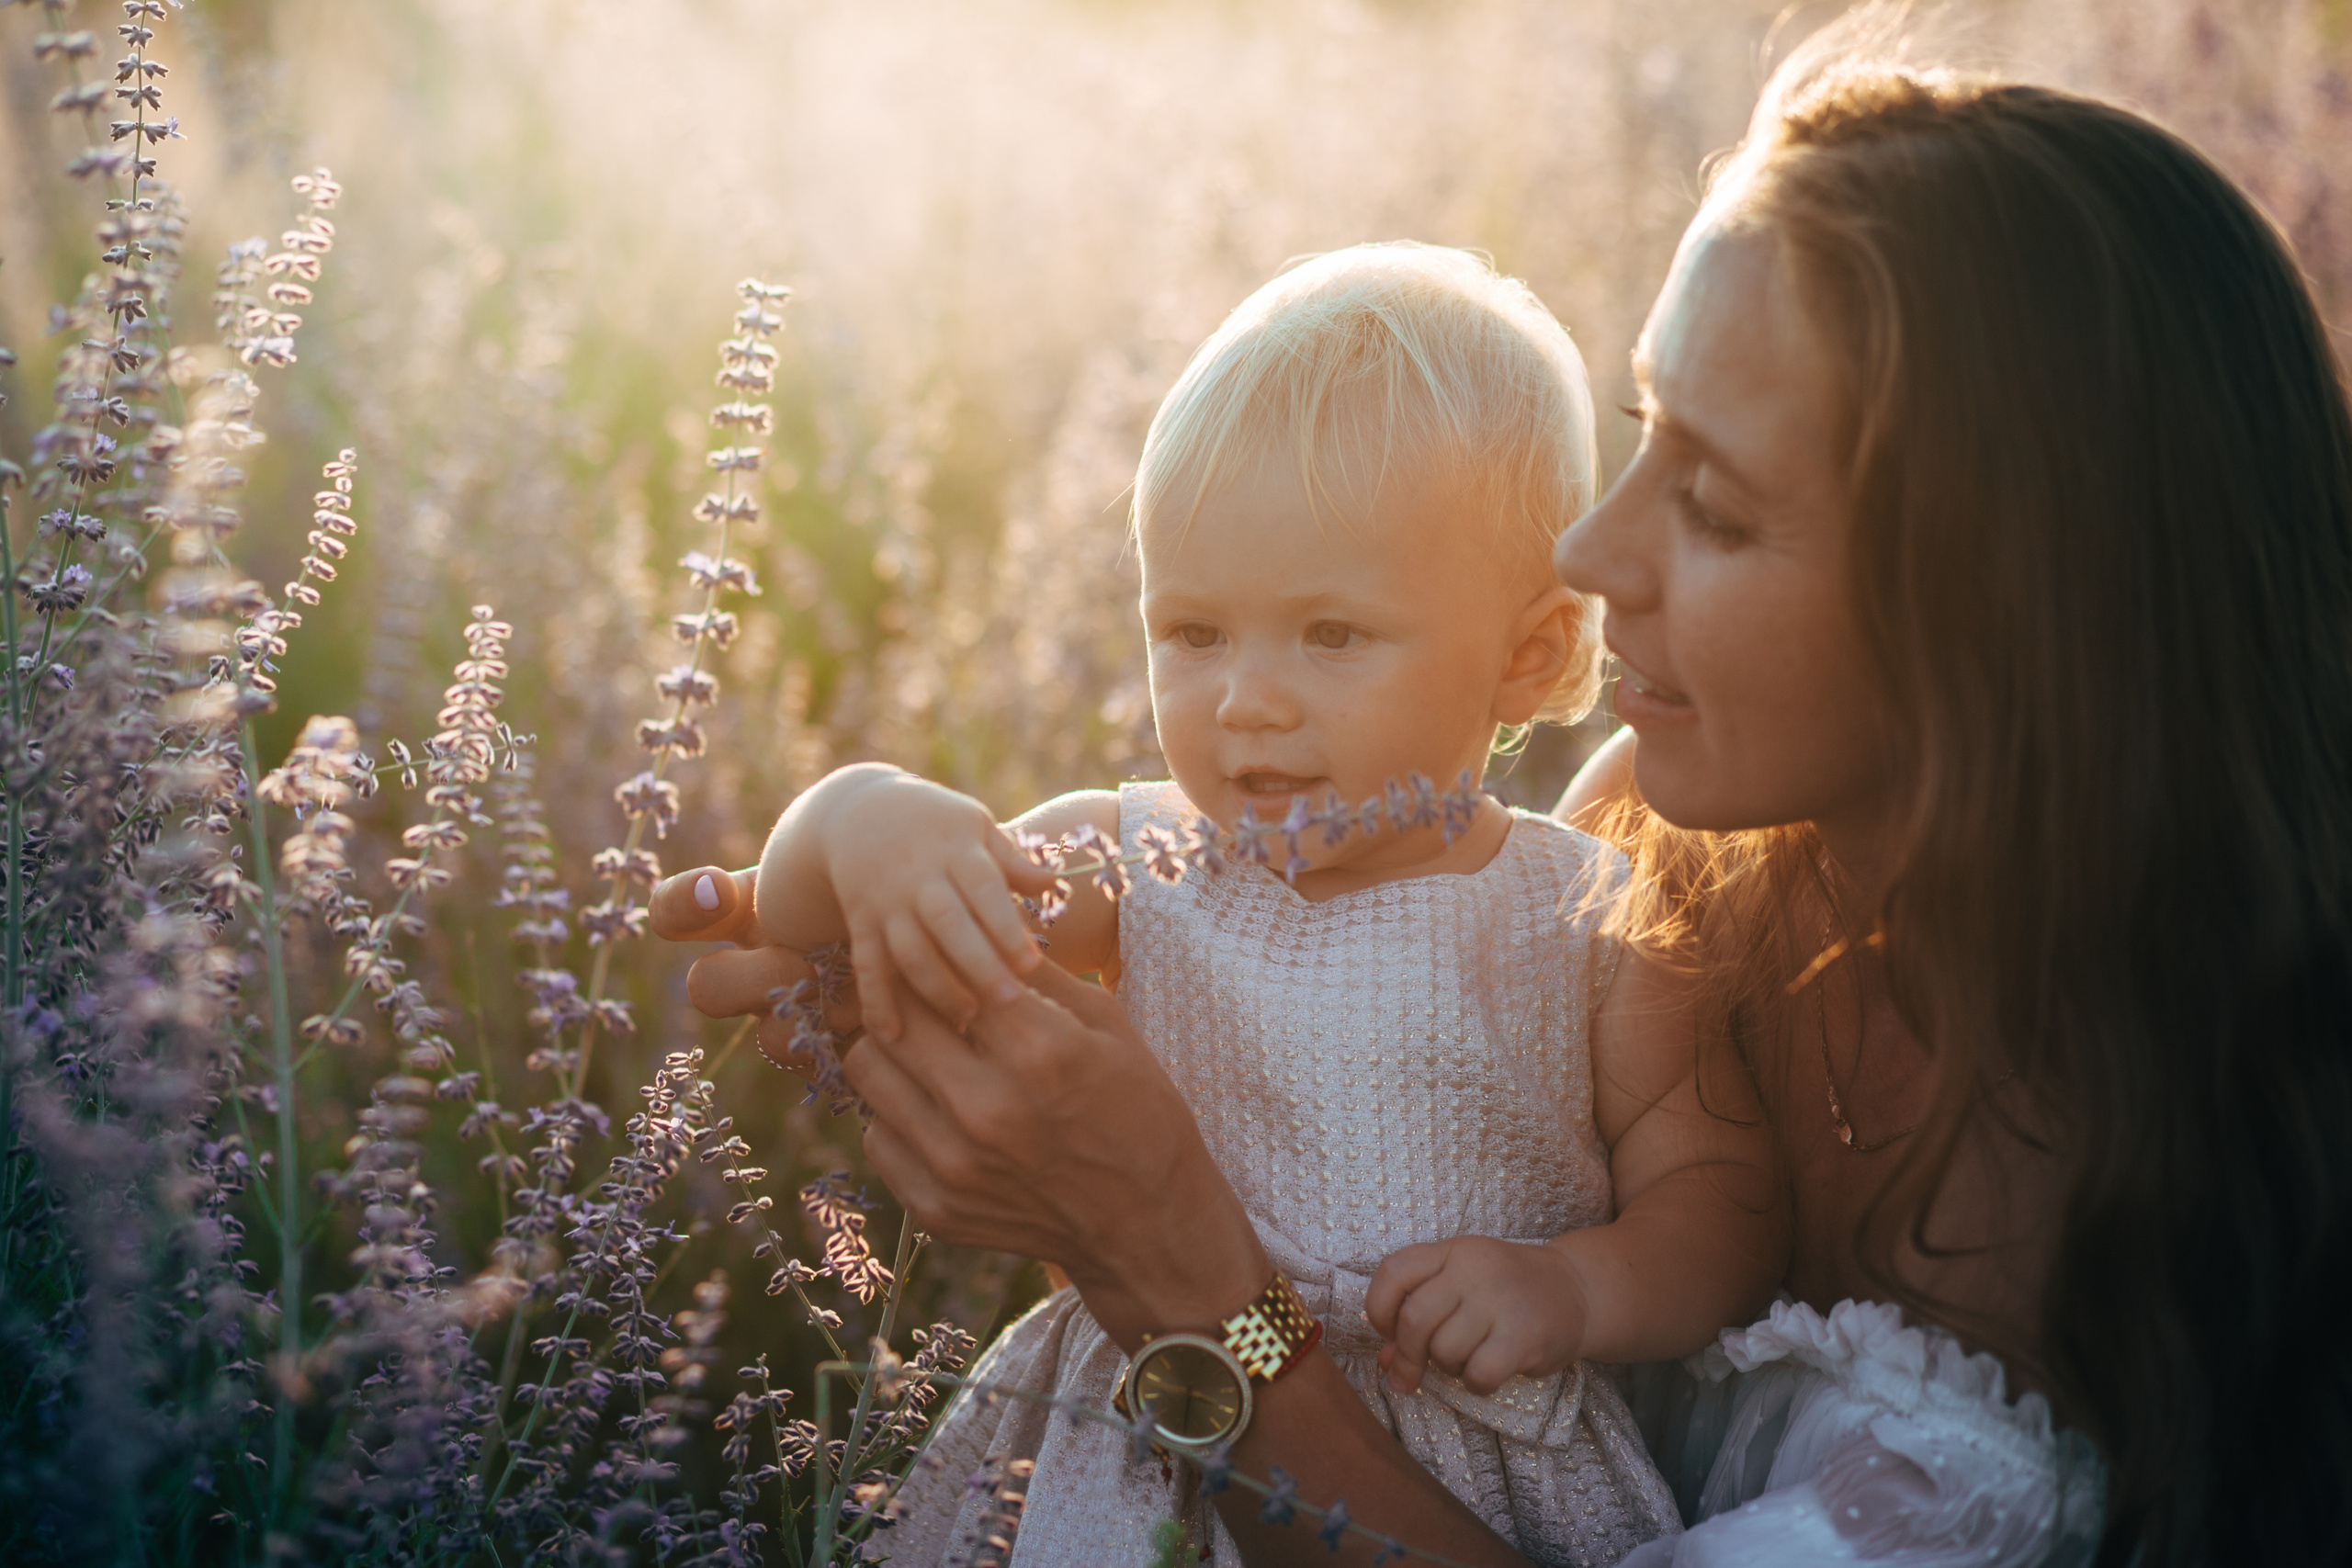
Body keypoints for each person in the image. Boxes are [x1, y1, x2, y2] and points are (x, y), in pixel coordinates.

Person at [653, 21, 2352, 1568]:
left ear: (1998, 602)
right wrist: (870, 878)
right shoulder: (1662, 843)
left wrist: (1183, 1274)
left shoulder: (2106, 1238)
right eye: (1640, 432)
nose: (1593, 550)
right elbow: (963, 881)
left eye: (1720, 502)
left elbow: (1668, 1230)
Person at [670, 243, 1785, 1566]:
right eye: (1194, 633)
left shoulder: (1592, 918)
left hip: (1461, 1451)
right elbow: (822, 920)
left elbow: (1720, 1205)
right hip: (1140, 1425)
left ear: (1530, 652)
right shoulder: (1140, 861)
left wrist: (1575, 1287)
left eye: (1330, 635)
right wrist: (861, 821)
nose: (1247, 697)